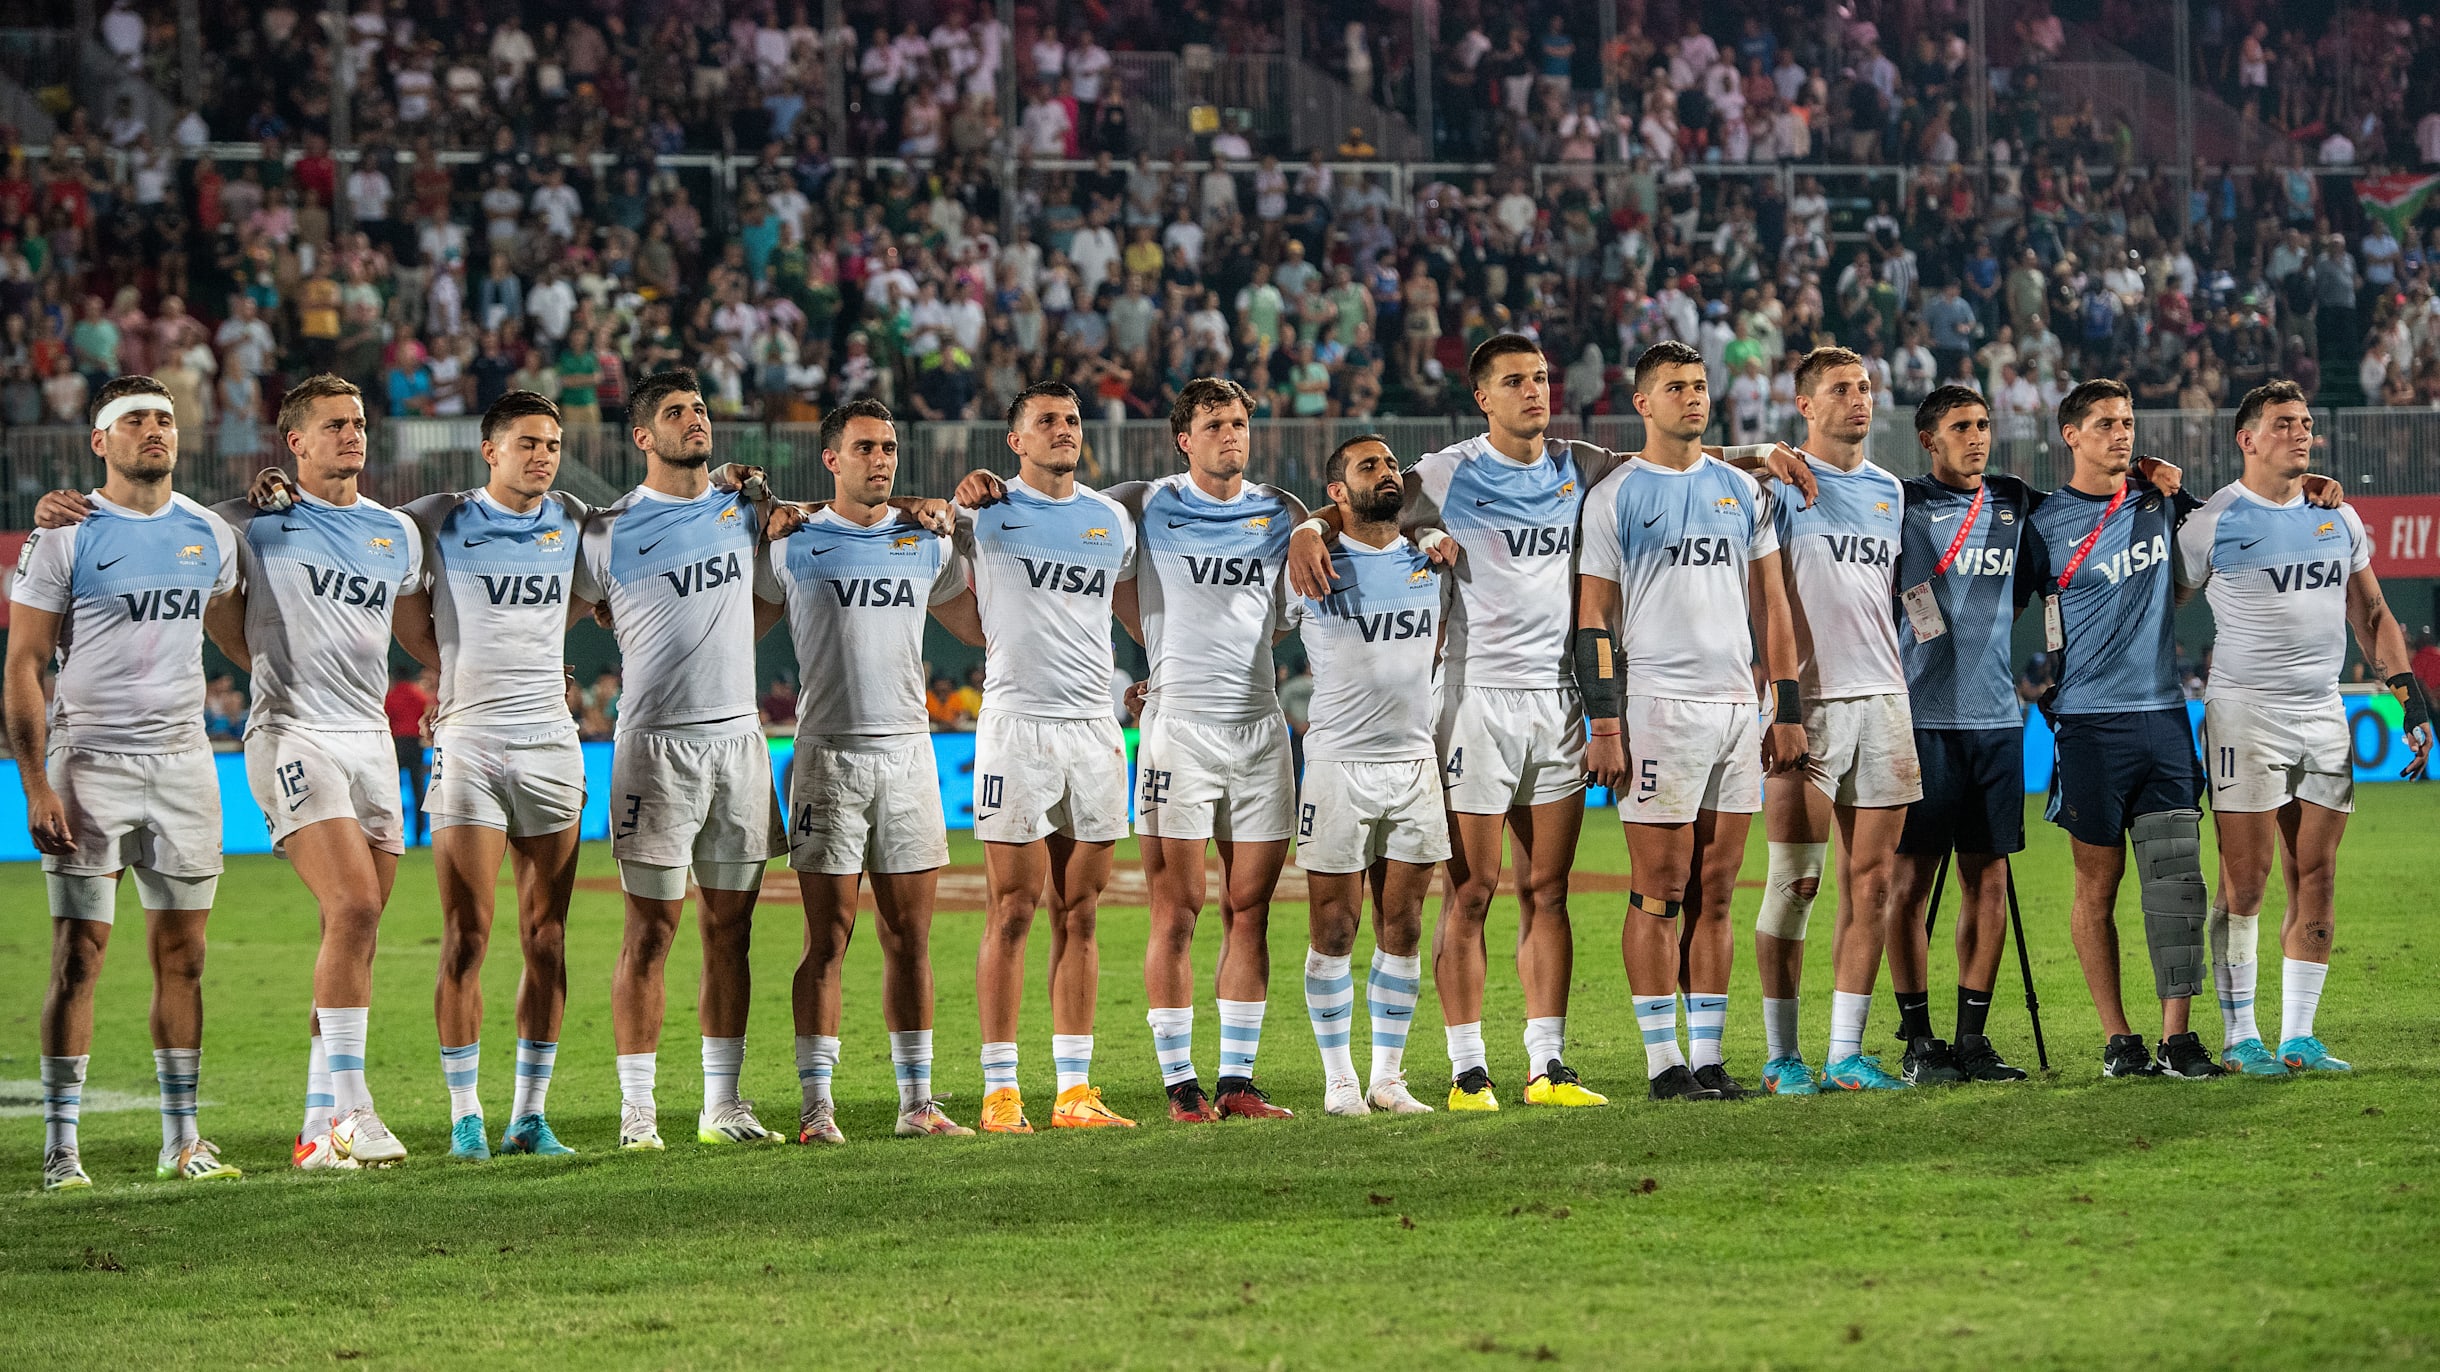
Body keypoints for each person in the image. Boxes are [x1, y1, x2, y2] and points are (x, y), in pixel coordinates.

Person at [964, 378, 1303, 1122]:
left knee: (1238, 908)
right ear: (1184, 438)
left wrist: (1167, 653)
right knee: (1140, 907)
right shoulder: (1138, 505)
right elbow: (940, 561)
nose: (1231, 435)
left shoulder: (1274, 514)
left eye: (1240, 423)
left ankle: (1216, 1083)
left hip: (1230, 725)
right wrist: (1168, 664)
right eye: (1215, 424)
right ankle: (1152, 1085)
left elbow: (1302, 567)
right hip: (1141, 727)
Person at [5, 376, 243, 1190]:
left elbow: (249, 623)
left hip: (185, 765)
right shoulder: (63, 537)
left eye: (165, 419)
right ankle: (61, 1150)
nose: (155, 430)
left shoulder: (212, 534)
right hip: (90, 766)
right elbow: (25, 664)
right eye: (134, 420)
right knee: (81, 955)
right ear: (100, 442)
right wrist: (34, 785)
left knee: (186, 957)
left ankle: (183, 1140)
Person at [2176, 381, 2432, 1075]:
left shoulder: (2339, 518)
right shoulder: (2211, 523)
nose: (2302, 432)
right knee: (2248, 882)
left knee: (2315, 873)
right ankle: (2240, 1037)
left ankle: (2299, 1036)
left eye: (2308, 422)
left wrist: (2410, 700)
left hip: (2322, 710)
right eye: (2284, 423)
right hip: (2243, 713)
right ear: (2247, 438)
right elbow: (2164, 600)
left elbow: (2373, 615)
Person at [1577, 340, 1806, 1102]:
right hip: (1658, 708)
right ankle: (1661, 1061)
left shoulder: (1745, 493)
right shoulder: (1615, 496)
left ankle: (1708, 1058)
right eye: (1676, 387)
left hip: (1738, 711)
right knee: (1659, 887)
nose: (1694, 398)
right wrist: (1605, 724)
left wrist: (1785, 704)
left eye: (1701, 386)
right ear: (1644, 404)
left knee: (1717, 888)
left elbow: (1772, 606)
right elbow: (1595, 618)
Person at [574, 369, 790, 1149]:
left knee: (731, 930)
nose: (694, 420)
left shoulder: (744, 508)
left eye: (699, 409)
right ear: (643, 437)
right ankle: (638, 1112)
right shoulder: (607, 529)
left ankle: (722, 1104)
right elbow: (553, 607)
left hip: (737, 741)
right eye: (675, 413)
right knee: (651, 931)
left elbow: (771, 595)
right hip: (654, 746)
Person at [216, 376, 422, 1167]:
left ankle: (313, 1130)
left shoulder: (394, 534)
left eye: (360, 423)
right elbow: (193, 559)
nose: (353, 436)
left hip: (372, 739)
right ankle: (354, 1112)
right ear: (294, 443)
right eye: (334, 425)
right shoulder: (256, 522)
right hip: (295, 733)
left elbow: (408, 628)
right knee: (355, 906)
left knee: (353, 933)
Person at [769, 399, 984, 1141]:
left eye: (889, 446)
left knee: (910, 937)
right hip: (826, 755)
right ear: (831, 459)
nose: (881, 459)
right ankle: (815, 1108)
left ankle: (916, 1104)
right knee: (827, 939)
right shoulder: (789, 543)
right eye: (864, 447)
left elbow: (980, 624)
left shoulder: (925, 542)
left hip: (909, 755)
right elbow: (729, 615)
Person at [387, 391, 589, 1159]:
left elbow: (588, 593)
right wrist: (444, 659)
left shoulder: (571, 520)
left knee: (547, 938)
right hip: (470, 742)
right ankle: (465, 1113)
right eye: (528, 442)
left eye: (553, 443)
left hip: (551, 743)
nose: (542, 455)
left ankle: (529, 1116)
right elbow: (397, 587)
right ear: (490, 450)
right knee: (467, 936)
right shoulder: (437, 517)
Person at [2022, 379, 2223, 1079]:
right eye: (2106, 423)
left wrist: (2169, 478)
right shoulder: (2041, 524)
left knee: (2176, 883)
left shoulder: (2159, 500)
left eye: (2129, 422)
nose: (2122, 433)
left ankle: (2178, 1037)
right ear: (2069, 434)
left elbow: (2218, 530)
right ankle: (2119, 1038)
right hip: (2087, 725)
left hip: (2164, 716)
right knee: (2096, 889)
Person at [952, 382, 1138, 1131]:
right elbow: (926, 551)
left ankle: (1073, 1090)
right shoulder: (982, 511)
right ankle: (1000, 1092)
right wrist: (957, 495)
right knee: (1013, 907)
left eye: (1071, 420)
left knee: (1082, 912)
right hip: (1016, 726)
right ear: (1015, 441)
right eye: (1046, 422)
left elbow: (1121, 604)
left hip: (1095, 729)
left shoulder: (1109, 520)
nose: (1063, 430)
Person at [1749, 347, 1923, 1095]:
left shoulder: (1890, 489)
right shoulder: (1773, 487)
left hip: (1884, 701)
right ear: (1807, 407)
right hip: (1806, 702)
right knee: (1796, 883)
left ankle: (1846, 1054)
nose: (1860, 399)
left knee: (1875, 884)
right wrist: (1778, 699)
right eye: (1841, 389)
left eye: (1866, 387)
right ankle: (1782, 1055)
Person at [1285, 435, 1449, 1117]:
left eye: (1388, 464)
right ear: (1336, 492)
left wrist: (1436, 536)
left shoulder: (1432, 557)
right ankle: (1338, 1080)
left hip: (1414, 762)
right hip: (1336, 764)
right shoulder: (1311, 562)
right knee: (1334, 926)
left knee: (1403, 923)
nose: (1385, 473)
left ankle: (1387, 1077)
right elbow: (1240, 632)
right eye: (1367, 467)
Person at [1884, 386, 2041, 1084]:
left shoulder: (2013, 503)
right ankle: (1919, 1041)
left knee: (1989, 879)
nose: (1976, 438)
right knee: (1908, 882)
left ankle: (1972, 1040)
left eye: (1982, 425)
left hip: (1997, 722)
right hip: (1921, 720)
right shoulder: (1902, 504)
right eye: (1960, 427)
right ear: (1929, 439)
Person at [383, 663, 433, 847]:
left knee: (390, 791)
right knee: (418, 790)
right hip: (415, 744)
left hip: (396, 744)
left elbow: (386, 717)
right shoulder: (418, 694)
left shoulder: (392, 696)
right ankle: (420, 836)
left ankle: (393, 833)